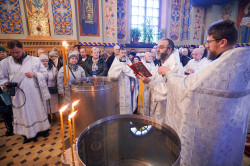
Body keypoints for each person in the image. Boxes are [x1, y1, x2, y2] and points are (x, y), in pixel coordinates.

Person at [158, 20, 250, 165]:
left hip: (211, 135)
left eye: (209, 41)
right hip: (230, 134)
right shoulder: (243, 61)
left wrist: (169, 74)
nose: (207, 45)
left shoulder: (221, 66)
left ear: (222, 42)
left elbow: (189, 87)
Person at [0, 40, 51, 143]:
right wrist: (5, 84)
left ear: (22, 49)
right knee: (24, 114)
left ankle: (41, 130)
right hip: (18, 95)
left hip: (34, 93)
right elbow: (2, 78)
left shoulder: (35, 60)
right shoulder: (5, 63)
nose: (15, 55)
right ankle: (28, 135)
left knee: (37, 111)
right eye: (12, 52)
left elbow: (45, 74)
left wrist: (35, 74)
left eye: (17, 52)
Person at [135, 38, 183, 122]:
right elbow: (153, 79)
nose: (157, 50)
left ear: (169, 50)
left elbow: (168, 91)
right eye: (158, 47)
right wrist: (142, 76)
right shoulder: (161, 63)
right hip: (155, 105)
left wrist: (149, 82)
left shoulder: (175, 67)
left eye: (161, 47)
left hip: (164, 109)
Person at [108, 48, 137, 114]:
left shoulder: (129, 62)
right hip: (119, 86)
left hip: (127, 86)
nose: (123, 54)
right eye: (122, 53)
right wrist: (119, 71)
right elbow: (111, 74)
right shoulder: (115, 63)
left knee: (128, 102)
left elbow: (133, 75)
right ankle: (119, 116)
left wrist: (132, 85)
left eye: (124, 53)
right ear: (119, 53)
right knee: (119, 102)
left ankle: (128, 116)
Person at [39, 54, 59, 122]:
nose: (45, 62)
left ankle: (54, 114)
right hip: (43, 89)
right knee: (45, 104)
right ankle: (47, 116)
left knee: (53, 103)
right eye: (43, 61)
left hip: (52, 88)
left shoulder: (53, 68)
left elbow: (57, 78)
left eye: (46, 61)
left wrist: (56, 86)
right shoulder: (37, 70)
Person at [0, 46, 13, 136]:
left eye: (3, 52)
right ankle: (9, 127)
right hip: (2, 91)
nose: (2, 53)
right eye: (0, 52)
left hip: (13, 88)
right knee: (6, 110)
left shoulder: (11, 62)